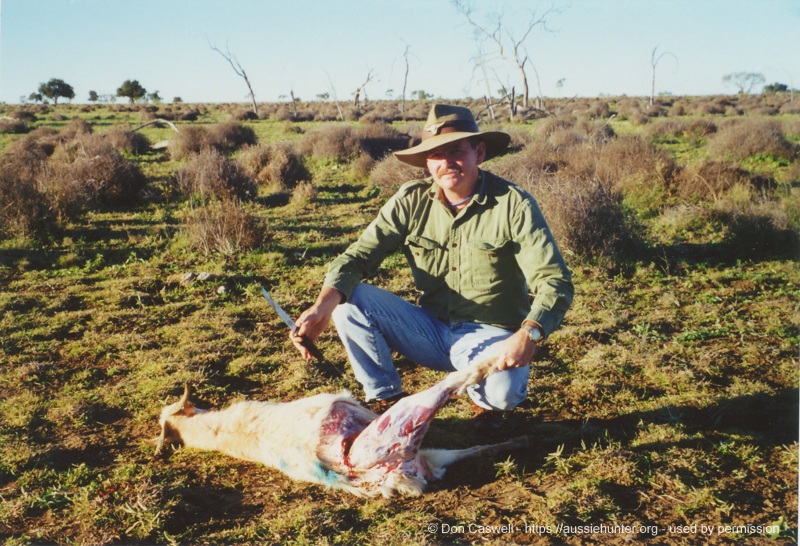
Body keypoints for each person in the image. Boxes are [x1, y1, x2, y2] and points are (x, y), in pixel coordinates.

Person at [290, 103, 573, 431]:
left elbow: (555, 280)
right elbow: (357, 258)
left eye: (457, 150)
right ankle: (387, 404)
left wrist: (529, 334)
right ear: (427, 163)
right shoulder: (411, 199)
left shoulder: (513, 204)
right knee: (348, 302)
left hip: (491, 335)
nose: (447, 162)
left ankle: (486, 407)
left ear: (479, 153)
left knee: (502, 393)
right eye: (437, 154)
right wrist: (321, 306)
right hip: (429, 331)